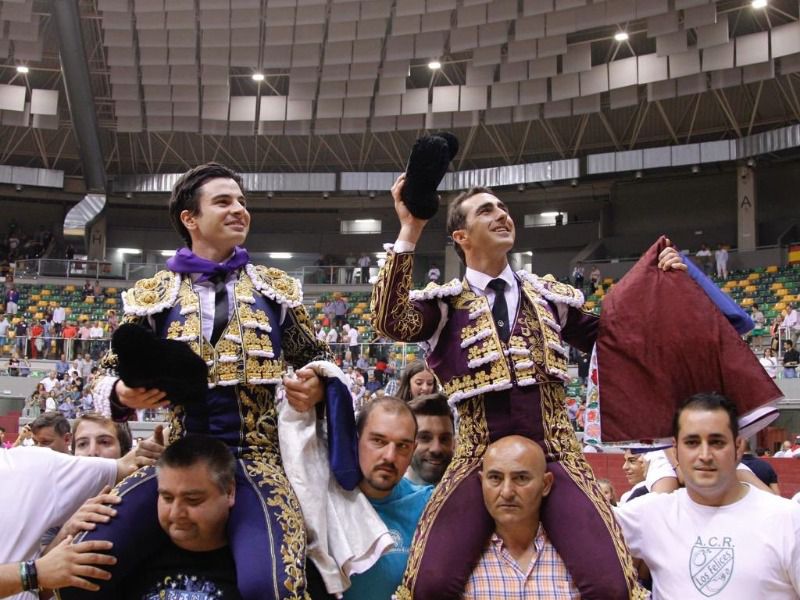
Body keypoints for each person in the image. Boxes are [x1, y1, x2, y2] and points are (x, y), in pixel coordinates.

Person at [371, 179, 686, 598]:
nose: (502, 215)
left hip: (556, 454)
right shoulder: (445, 304)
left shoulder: (549, 298)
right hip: (477, 457)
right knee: (429, 584)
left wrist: (659, 286)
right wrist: (410, 228)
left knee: (613, 585)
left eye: (502, 207)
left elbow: (616, 339)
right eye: (486, 210)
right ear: (461, 237)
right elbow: (391, 321)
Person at [62, 163, 348, 600]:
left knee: (273, 587)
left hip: (256, 462)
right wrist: (122, 393)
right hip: (176, 461)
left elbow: (321, 360)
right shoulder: (154, 296)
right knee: (80, 566)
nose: (239, 210)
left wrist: (316, 384)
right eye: (224, 201)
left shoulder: (276, 292)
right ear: (189, 218)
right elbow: (103, 374)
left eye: (242, 202)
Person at [614, 393, 800, 599]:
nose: (704, 455)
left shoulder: (789, 520)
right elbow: (582, 525)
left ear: (738, 447)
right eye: (692, 442)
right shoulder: (650, 514)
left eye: (717, 442)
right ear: (675, 451)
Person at [101, 436, 242, 600]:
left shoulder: (255, 571)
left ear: (229, 492)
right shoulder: (129, 557)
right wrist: (66, 535)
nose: (175, 513)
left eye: (192, 500)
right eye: (167, 498)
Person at [0, 443, 147, 600]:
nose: (92, 451)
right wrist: (33, 572)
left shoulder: (31, 465)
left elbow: (129, 465)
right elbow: (38, 573)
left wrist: (65, 535)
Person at [463, 435, 580, 599]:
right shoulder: (461, 565)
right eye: (495, 478)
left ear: (545, 484)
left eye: (521, 478)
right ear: (482, 482)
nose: (507, 492)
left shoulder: (575, 561)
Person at [344, 396, 433, 600]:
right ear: (356, 439)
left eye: (402, 446)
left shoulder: (428, 507)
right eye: (378, 441)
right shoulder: (328, 500)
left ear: (413, 450)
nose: (390, 456)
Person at [405, 393, 454, 486]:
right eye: (424, 438)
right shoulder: (384, 497)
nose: (436, 449)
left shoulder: (468, 495)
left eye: (444, 439)